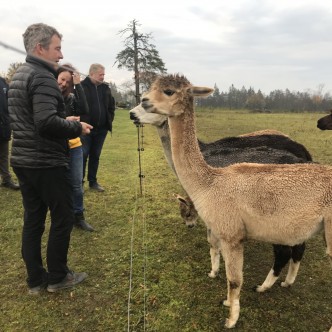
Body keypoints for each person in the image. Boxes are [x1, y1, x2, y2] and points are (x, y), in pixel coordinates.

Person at [8, 23, 93, 294]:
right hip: (45, 161)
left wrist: (61, 119)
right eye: (56, 48)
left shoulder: (21, 74)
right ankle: (58, 276)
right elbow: (45, 123)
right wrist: (75, 127)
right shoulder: (43, 77)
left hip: (22, 158)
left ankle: (35, 280)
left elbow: (32, 119)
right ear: (40, 48)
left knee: (33, 220)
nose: (60, 54)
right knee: (63, 216)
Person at [57, 63, 94, 232]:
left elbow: (84, 109)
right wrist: (66, 120)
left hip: (74, 146)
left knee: (77, 185)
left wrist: (78, 85)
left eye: (68, 82)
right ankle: (64, 216)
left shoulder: (71, 97)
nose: (64, 84)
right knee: (60, 185)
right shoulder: (49, 95)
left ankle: (78, 216)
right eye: (62, 79)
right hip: (56, 147)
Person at [80, 64, 115, 192]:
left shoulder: (105, 88)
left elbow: (111, 106)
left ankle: (93, 182)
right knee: (83, 155)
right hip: (86, 129)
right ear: (92, 73)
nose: (103, 76)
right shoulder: (82, 87)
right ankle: (80, 183)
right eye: (101, 74)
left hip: (101, 130)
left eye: (103, 74)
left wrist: (108, 119)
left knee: (95, 155)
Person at [0, 76, 20, 190]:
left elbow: (10, 103)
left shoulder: (3, 82)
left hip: (4, 126)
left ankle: (6, 180)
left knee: (4, 155)